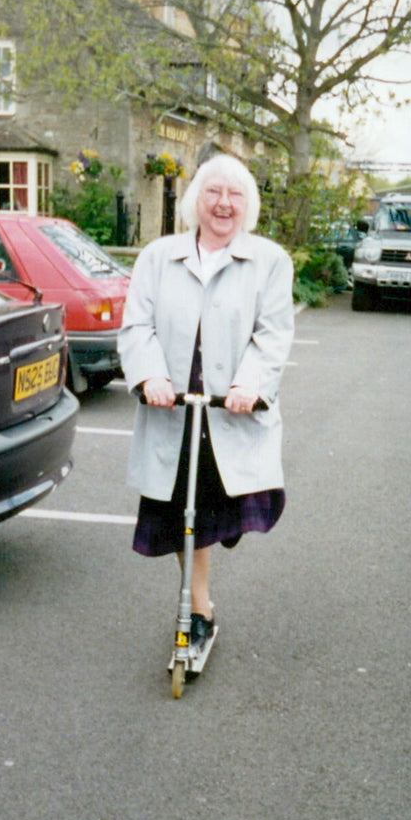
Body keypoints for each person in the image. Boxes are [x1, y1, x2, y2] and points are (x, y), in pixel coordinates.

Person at [118, 153, 294, 650]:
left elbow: (274, 333)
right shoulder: (158, 256)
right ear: (196, 198)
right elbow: (137, 326)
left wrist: (250, 386)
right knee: (181, 515)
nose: (223, 203)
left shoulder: (270, 261)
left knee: (212, 513)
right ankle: (199, 610)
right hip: (173, 407)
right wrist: (151, 375)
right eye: (213, 192)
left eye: (235, 194)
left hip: (228, 409)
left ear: (249, 206)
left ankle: (199, 606)